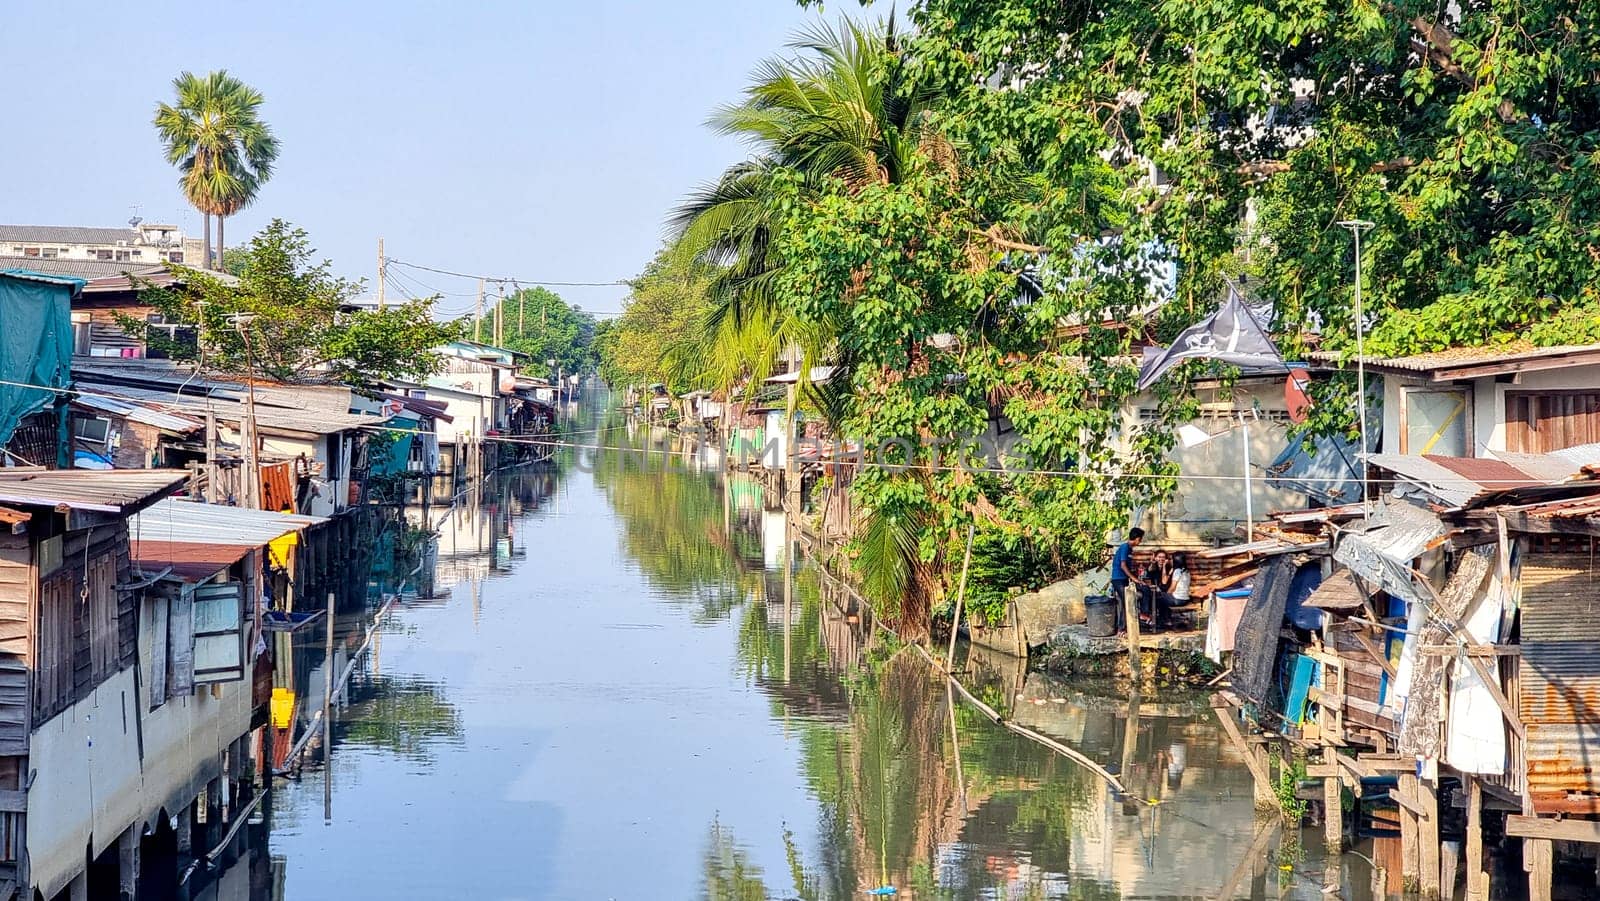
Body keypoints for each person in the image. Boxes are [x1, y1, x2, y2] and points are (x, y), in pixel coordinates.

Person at [1109, 527, 1144, 633]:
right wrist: (1134, 579)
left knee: (1131, 599)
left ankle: (1128, 625)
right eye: (1140, 539)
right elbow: (1123, 566)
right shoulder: (1124, 547)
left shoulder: (1129, 549)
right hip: (1118, 579)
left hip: (1124, 579)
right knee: (1126, 601)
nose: (1140, 542)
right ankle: (1121, 628)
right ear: (1137, 539)